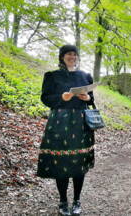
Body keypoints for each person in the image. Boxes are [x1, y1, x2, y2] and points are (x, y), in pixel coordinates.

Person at [36, 44, 95, 215]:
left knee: (79, 161)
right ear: (62, 57)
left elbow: (91, 100)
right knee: (60, 160)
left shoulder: (86, 76)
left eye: (75, 54)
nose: (72, 57)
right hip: (59, 121)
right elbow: (45, 98)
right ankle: (63, 201)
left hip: (80, 122)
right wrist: (62, 97)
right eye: (69, 54)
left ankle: (77, 200)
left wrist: (87, 97)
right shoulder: (52, 76)